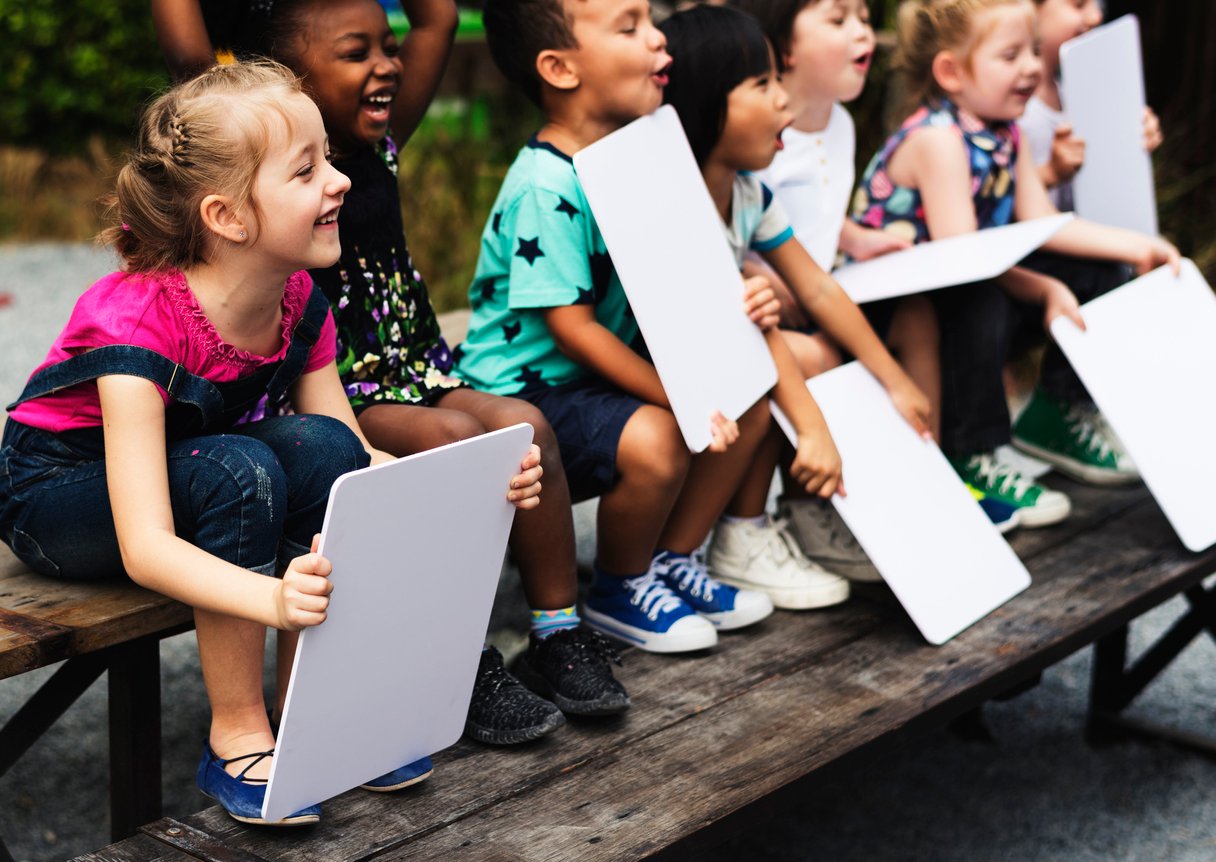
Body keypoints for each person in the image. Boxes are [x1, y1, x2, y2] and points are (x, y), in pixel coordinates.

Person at [0, 62, 542, 826]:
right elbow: (145, 545)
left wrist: (476, 483)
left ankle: (313, 711)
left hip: (188, 470)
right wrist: (273, 599)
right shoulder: (134, 324)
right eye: (306, 168)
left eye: (329, 158)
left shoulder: (298, 301)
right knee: (239, 466)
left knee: (320, 447)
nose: (340, 181)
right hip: (56, 496)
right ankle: (237, 732)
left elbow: (356, 466)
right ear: (227, 217)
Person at [259, 0, 632, 747]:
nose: (387, 65)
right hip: (340, 393)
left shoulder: (380, 149)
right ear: (290, 80)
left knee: (526, 426)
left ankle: (556, 634)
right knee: (457, 445)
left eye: (388, 48)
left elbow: (435, 20)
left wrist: (401, 36)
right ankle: (456, 662)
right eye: (357, 51)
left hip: (417, 370)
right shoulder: (272, 168)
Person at [459, 0, 852, 641]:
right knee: (660, 436)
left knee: (746, 387)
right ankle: (619, 587)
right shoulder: (548, 183)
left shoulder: (638, 161)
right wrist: (675, 394)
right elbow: (573, 329)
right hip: (524, 390)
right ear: (560, 68)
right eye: (631, 27)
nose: (658, 42)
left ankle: (674, 559)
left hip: (594, 378)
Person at [851, 0, 1179, 525]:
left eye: (1031, 50)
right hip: (909, 308)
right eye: (1010, 55)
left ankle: (1058, 412)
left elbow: (1045, 222)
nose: (1030, 66)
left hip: (969, 281)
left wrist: (1136, 246)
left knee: (1096, 271)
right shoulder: (937, 140)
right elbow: (964, 261)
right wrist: (1045, 291)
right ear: (951, 72)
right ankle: (970, 452)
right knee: (983, 302)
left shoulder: (1008, 131)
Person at [659, 6, 945, 590]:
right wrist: (814, 430)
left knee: (836, 344)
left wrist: (895, 380)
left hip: (731, 339)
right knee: (804, 359)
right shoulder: (678, 203)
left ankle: (778, 522)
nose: (782, 103)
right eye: (762, 86)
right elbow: (746, 322)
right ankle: (733, 535)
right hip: (668, 359)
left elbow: (815, 282)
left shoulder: (749, 193)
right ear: (704, 101)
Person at [1022, 0, 1163, 213]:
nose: (1096, 16)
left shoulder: (1070, 90)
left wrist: (1131, 140)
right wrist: (1050, 173)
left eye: (1098, 4)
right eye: (1079, 5)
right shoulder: (1008, 107)